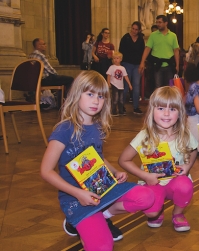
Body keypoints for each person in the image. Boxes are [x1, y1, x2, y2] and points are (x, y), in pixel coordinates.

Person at [40, 71, 156, 250]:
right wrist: (78, 193)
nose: (96, 101)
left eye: (101, 96)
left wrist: (115, 172)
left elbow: (98, 158)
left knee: (147, 197)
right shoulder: (64, 129)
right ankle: (80, 222)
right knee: (102, 247)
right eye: (90, 94)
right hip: (75, 198)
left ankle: (104, 215)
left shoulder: (97, 126)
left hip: (101, 187)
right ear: (77, 94)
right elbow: (46, 171)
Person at [119, 86, 198, 231]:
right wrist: (145, 175)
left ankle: (177, 214)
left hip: (176, 182)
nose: (167, 113)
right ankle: (158, 210)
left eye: (172, 109)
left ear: (180, 113)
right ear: (151, 111)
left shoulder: (184, 134)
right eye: (161, 108)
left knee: (185, 185)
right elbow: (124, 160)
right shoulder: (145, 135)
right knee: (152, 213)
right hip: (152, 184)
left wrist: (187, 166)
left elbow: (193, 150)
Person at [139, 15, 180, 89]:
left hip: (169, 65)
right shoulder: (153, 35)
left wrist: (177, 65)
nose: (158, 24)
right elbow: (147, 49)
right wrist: (142, 62)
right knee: (158, 87)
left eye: (160, 22)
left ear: (166, 23)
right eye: (157, 22)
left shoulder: (173, 36)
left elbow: (176, 51)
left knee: (169, 87)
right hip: (157, 65)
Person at [119, 21, 145, 115]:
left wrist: (142, 64)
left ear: (139, 30)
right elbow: (120, 51)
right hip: (126, 64)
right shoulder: (125, 38)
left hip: (137, 65)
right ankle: (122, 106)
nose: (134, 31)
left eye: (136, 29)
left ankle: (136, 107)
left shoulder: (141, 39)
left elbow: (143, 52)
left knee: (136, 85)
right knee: (126, 85)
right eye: (133, 29)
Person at [106, 52, 133, 116]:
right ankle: (113, 111)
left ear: (120, 59)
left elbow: (125, 76)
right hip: (114, 85)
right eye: (114, 58)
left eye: (117, 58)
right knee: (115, 99)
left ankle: (121, 111)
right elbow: (109, 75)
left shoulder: (122, 68)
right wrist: (108, 83)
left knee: (121, 99)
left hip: (121, 86)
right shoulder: (111, 67)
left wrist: (129, 84)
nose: (116, 60)